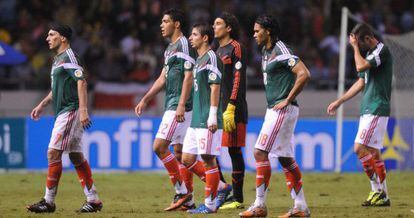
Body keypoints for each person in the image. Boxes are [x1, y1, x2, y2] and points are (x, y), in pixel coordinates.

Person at [239, 15, 311, 218]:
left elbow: (304, 73)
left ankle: (259, 205)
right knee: (286, 158)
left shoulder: (281, 50)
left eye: (256, 31)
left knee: (260, 152)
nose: (254, 35)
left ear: (268, 31)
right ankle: (300, 206)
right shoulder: (265, 51)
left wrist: (288, 99)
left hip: (281, 109)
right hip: (276, 108)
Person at [26, 24, 102, 213]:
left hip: (71, 110)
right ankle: (93, 200)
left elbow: (81, 81)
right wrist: (42, 105)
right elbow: (56, 89)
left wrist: (83, 110)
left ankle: (48, 201)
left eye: (52, 34)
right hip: (64, 111)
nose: (47, 38)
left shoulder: (69, 56)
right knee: (76, 156)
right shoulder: (58, 59)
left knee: (53, 153)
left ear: (63, 39)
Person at [134, 8, 201, 211]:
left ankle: (182, 192)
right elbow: (163, 78)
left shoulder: (184, 45)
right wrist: (146, 99)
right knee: (181, 154)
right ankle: (208, 192)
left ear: (177, 24)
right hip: (174, 103)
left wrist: (181, 104)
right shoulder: (170, 48)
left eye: (165, 21)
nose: (161, 25)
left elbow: (189, 76)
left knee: (159, 147)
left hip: (179, 105)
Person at [327, 23, 392, 207]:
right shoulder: (371, 55)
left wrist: (355, 48)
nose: (359, 48)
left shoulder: (382, 51)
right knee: (374, 153)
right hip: (369, 108)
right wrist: (340, 101)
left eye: (360, 43)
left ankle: (377, 190)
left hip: (377, 108)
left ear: (368, 39)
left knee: (358, 148)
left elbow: (361, 66)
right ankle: (383, 195)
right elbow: (361, 82)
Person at [182, 23, 224, 214]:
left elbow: (215, 87)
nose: (191, 38)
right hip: (196, 119)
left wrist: (213, 116)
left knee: (208, 160)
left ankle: (210, 204)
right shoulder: (198, 60)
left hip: (208, 118)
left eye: (194, 34)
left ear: (205, 38)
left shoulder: (212, 58)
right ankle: (220, 187)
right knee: (187, 158)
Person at [213, 12, 248, 210]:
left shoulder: (236, 48)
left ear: (228, 28)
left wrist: (232, 105)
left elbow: (238, 78)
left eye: (218, 24)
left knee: (234, 150)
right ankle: (223, 187)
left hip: (233, 108)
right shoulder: (217, 50)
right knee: (208, 150)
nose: (214, 26)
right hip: (217, 109)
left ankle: (237, 198)